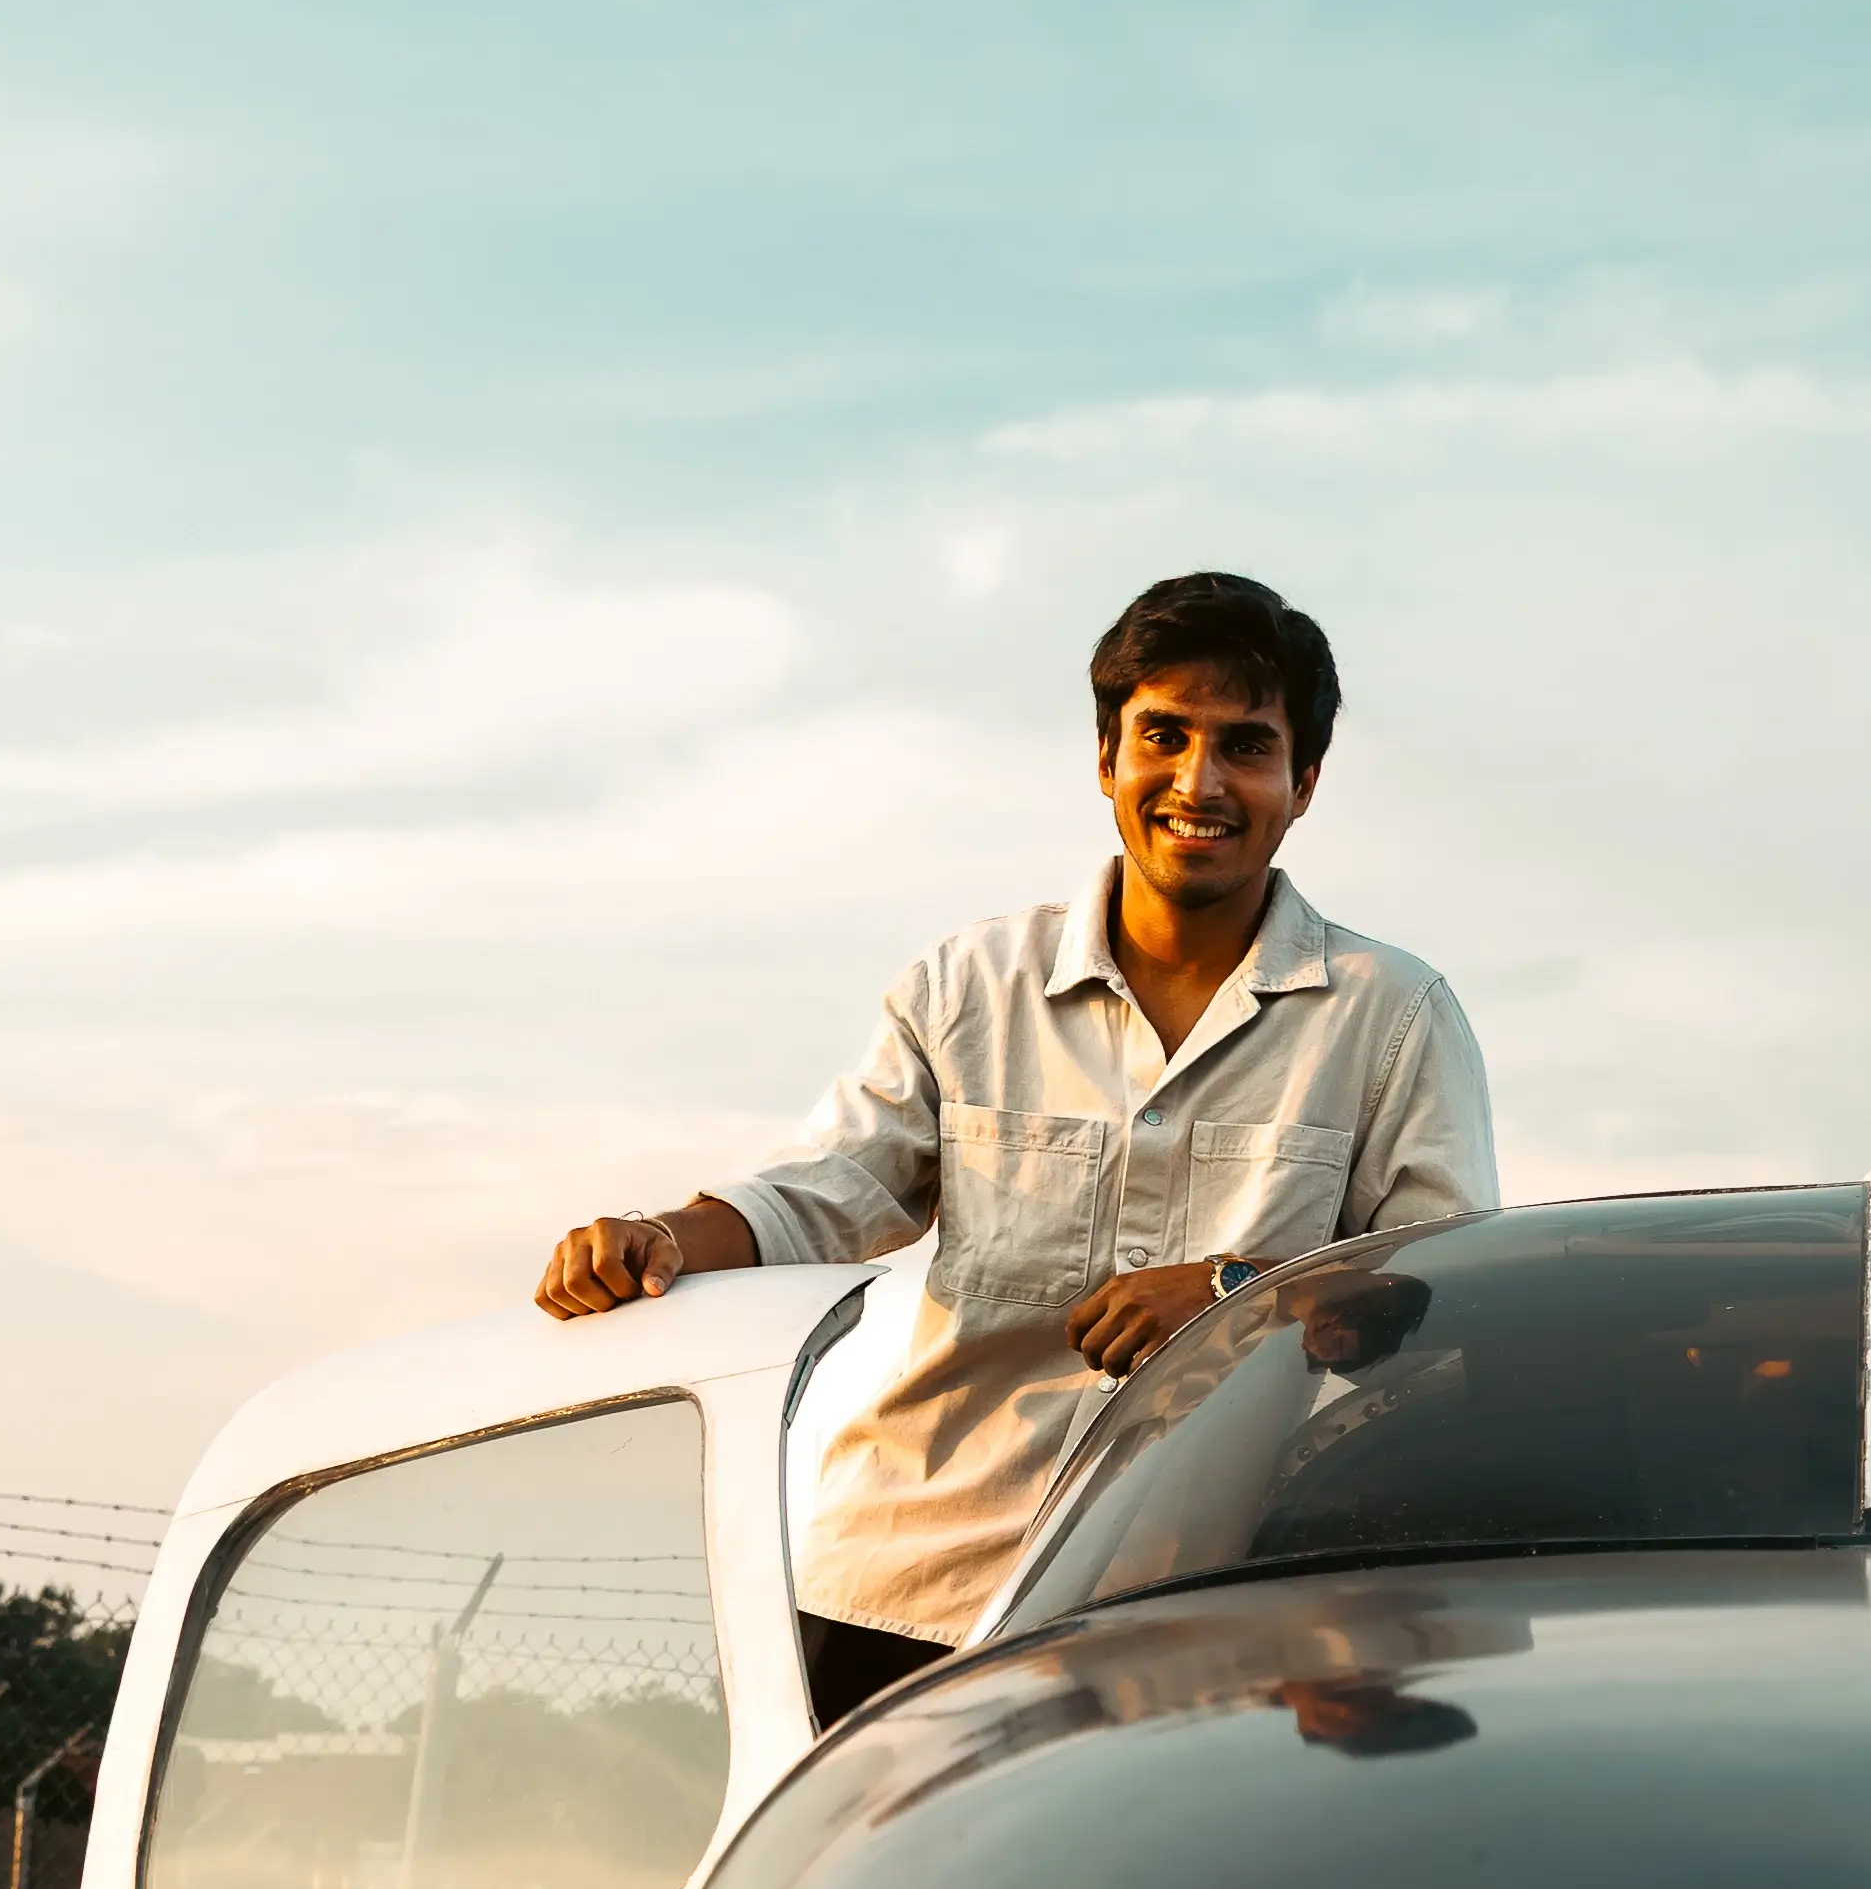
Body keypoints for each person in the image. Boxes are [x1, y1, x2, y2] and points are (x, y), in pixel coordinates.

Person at [541, 571, 1495, 1718]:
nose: (1198, 781)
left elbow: (1442, 1292)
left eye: (1245, 746)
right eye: (1163, 736)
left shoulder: (1388, 1013)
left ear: (1302, 785)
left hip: (1204, 1601)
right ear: (1106, 760)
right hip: (910, 1591)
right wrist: (654, 1236)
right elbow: (826, 1195)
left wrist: (1237, 1295)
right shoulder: (968, 987)